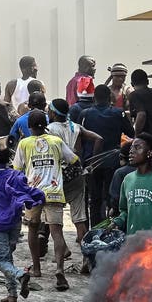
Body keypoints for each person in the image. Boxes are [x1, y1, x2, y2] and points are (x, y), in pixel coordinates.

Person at [15, 109, 77, 291]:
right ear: (46, 124)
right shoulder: (57, 142)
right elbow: (74, 160)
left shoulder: (24, 144)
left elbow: (17, 168)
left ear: (29, 127)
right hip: (54, 192)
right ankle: (59, 270)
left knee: (33, 229)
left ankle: (36, 267)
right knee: (57, 232)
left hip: (33, 193)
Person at [0, 148, 44, 302]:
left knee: (1, 261)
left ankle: (20, 274)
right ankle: (12, 294)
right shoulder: (15, 174)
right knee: (7, 257)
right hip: (15, 222)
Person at [47, 98, 101, 273]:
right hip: (77, 173)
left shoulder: (50, 130)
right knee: (79, 219)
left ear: (54, 113)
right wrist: (91, 161)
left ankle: (62, 255)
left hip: (58, 176)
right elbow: (98, 138)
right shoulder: (75, 126)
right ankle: (86, 259)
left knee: (55, 219)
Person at [79, 84, 134, 225]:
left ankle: (95, 229)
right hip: (113, 161)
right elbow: (130, 133)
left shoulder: (85, 114)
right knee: (112, 197)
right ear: (110, 97)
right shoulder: (118, 113)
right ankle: (111, 227)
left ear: (94, 97)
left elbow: (78, 138)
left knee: (94, 198)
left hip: (91, 162)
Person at [108, 141, 135, 216]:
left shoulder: (120, 172)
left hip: (123, 214)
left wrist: (113, 209)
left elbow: (116, 198)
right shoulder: (145, 170)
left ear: (121, 157)